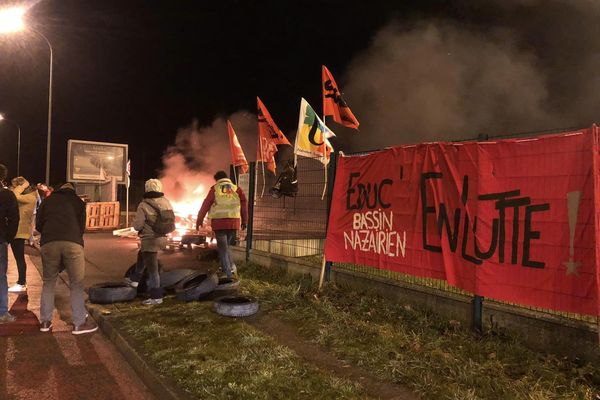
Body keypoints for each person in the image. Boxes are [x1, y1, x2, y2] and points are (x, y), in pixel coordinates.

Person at [36, 182, 97, 334]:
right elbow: (81, 227)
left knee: (49, 282)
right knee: (76, 283)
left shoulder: (48, 200)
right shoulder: (77, 201)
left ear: (59, 189)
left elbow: (38, 225)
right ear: (73, 191)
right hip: (72, 243)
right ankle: (79, 323)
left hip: (49, 243)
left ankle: (45, 321)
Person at [128, 179, 174, 305]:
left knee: (153, 270)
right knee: (142, 254)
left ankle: (156, 297)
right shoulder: (166, 203)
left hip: (150, 240)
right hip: (163, 238)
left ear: (147, 189)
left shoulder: (144, 205)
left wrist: (134, 222)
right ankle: (135, 280)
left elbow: (137, 226)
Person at [196, 171, 247, 279]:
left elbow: (206, 204)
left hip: (219, 224)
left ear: (216, 179)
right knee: (226, 247)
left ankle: (228, 275)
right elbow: (244, 204)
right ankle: (232, 269)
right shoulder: (236, 189)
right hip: (233, 223)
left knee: (223, 249)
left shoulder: (215, 189)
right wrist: (244, 221)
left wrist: (199, 220)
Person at [8, 177, 39, 293]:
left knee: (19, 258)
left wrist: (22, 185)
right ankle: (21, 282)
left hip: (20, 232)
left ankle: (22, 282)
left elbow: (14, 195)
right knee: (18, 258)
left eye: (15, 185)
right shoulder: (26, 198)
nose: (14, 188)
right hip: (16, 231)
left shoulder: (31, 198)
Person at [0, 164, 19, 324]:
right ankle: (2, 313)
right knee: (0, 277)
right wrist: (8, 237)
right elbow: (14, 219)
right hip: (0, 240)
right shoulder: (7, 195)